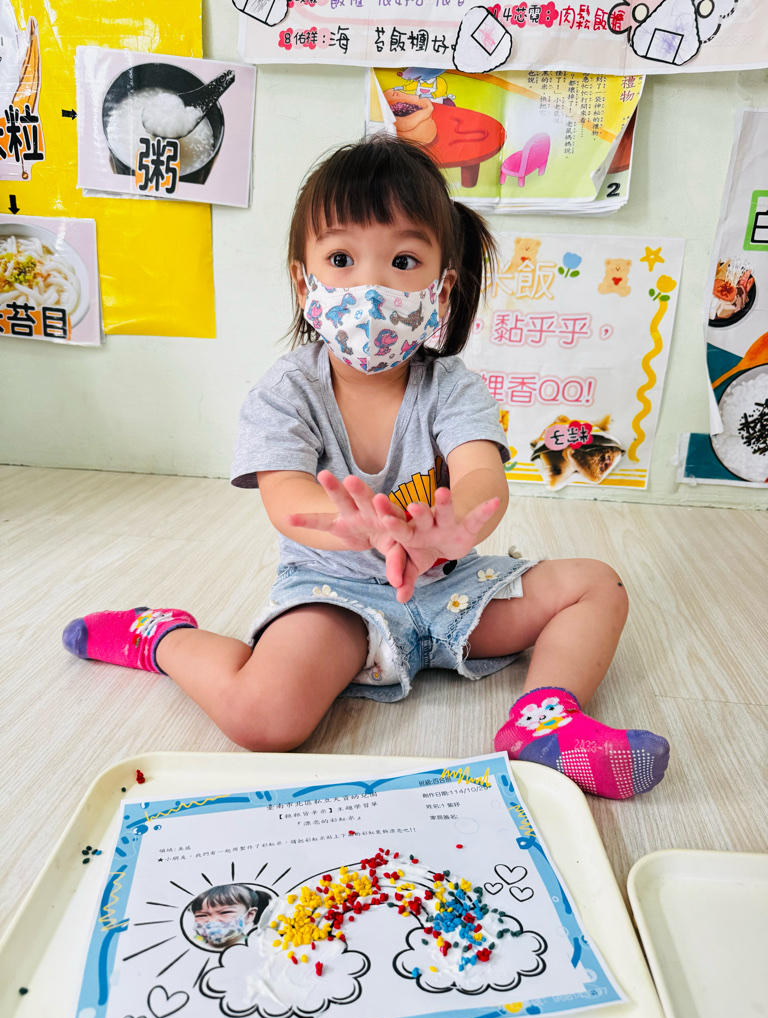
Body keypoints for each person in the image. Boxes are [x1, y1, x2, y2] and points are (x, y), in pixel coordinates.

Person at [63, 136, 669, 800]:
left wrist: (455, 528)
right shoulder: (285, 392)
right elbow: (286, 496)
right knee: (263, 718)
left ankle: (544, 720)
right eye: (341, 260)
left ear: (442, 287)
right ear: (305, 282)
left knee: (595, 584)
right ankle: (161, 638)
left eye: (403, 261)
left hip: (449, 588)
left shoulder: (451, 386)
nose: (370, 288)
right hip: (337, 596)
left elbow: (480, 475)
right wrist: (351, 527)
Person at [189, 884, 270, 949]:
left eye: (225, 912)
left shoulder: (255, 944)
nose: (213, 920)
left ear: (249, 915)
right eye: (202, 915)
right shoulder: (193, 941)